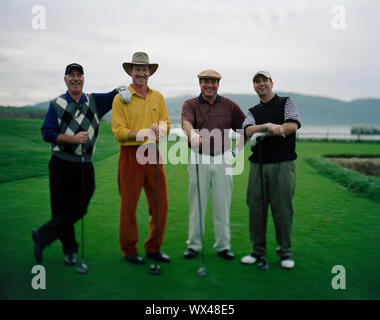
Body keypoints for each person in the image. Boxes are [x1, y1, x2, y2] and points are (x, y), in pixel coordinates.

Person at [32, 63, 131, 265]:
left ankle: (43, 234)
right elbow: (47, 133)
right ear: (65, 79)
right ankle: (69, 250)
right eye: (71, 75)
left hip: (85, 164)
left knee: (80, 206)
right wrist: (72, 139)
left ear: (84, 79)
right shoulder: (57, 104)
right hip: (60, 163)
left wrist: (123, 88)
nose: (75, 78)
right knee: (60, 209)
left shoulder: (94, 101)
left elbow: (115, 93)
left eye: (79, 75)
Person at [112, 52, 171, 265]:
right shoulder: (120, 98)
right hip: (130, 155)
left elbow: (166, 124)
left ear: (149, 72)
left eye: (144, 69)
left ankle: (154, 247)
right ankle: (129, 250)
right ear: (130, 71)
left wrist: (160, 129)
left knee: (161, 204)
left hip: (153, 154)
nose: (141, 73)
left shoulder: (158, 97)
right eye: (137, 69)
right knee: (129, 205)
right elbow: (118, 132)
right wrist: (144, 133)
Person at [181, 69, 246, 261]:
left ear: (218, 84)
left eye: (213, 82)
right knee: (196, 205)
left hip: (223, 159)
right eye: (205, 81)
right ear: (199, 83)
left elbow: (246, 129)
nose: (209, 85)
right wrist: (192, 134)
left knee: (222, 205)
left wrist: (236, 151)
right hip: (198, 158)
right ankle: (194, 245)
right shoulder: (190, 104)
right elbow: (186, 123)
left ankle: (223, 246)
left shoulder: (229, 105)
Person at [241, 70, 301, 269]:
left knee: (282, 210)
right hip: (257, 166)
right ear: (254, 87)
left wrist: (279, 129)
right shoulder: (253, 111)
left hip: (282, 165)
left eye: (264, 80)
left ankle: (285, 253)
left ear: (271, 83)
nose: (261, 84)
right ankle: (257, 252)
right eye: (257, 82)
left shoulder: (286, 102)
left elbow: (292, 125)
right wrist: (267, 126)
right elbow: (248, 130)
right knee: (256, 210)